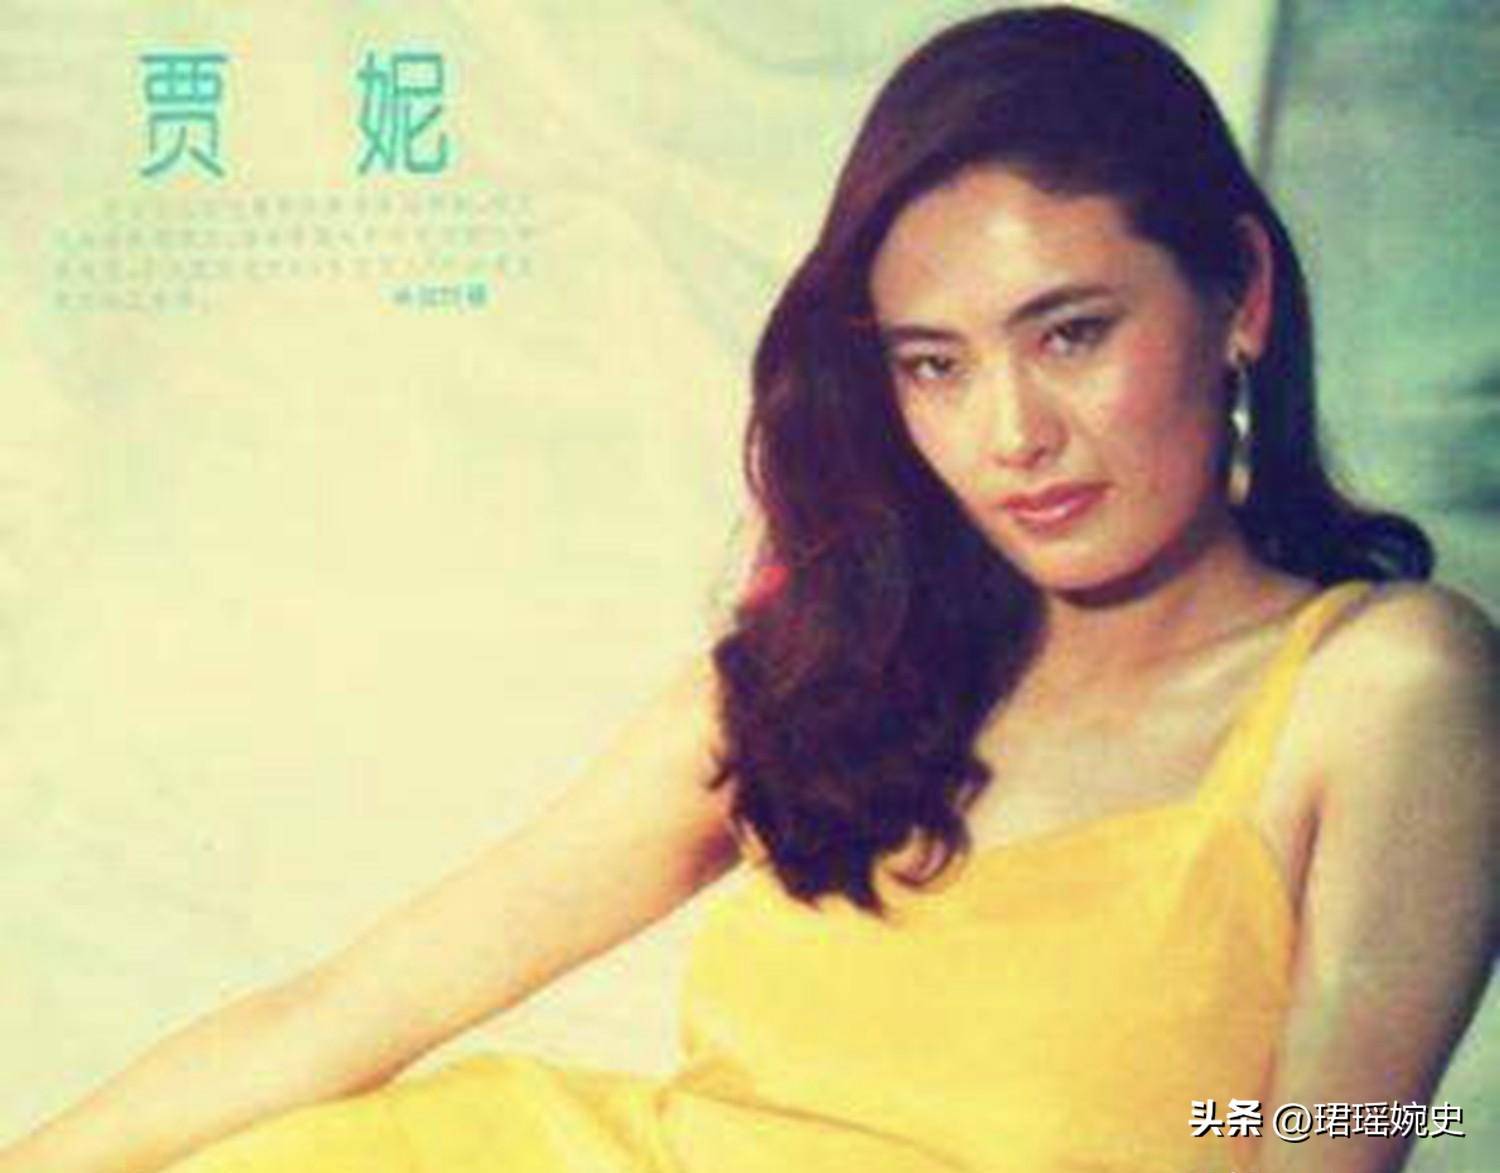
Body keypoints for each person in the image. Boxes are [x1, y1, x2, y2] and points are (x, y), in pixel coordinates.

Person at [4, 6, 1495, 1172]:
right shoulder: (830, 673)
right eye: (935, 364)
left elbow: (1339, 1137)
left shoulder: (1385, 685)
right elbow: (346, 1008)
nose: (1012, 434)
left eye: (1071, 333)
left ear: (1240, 295)